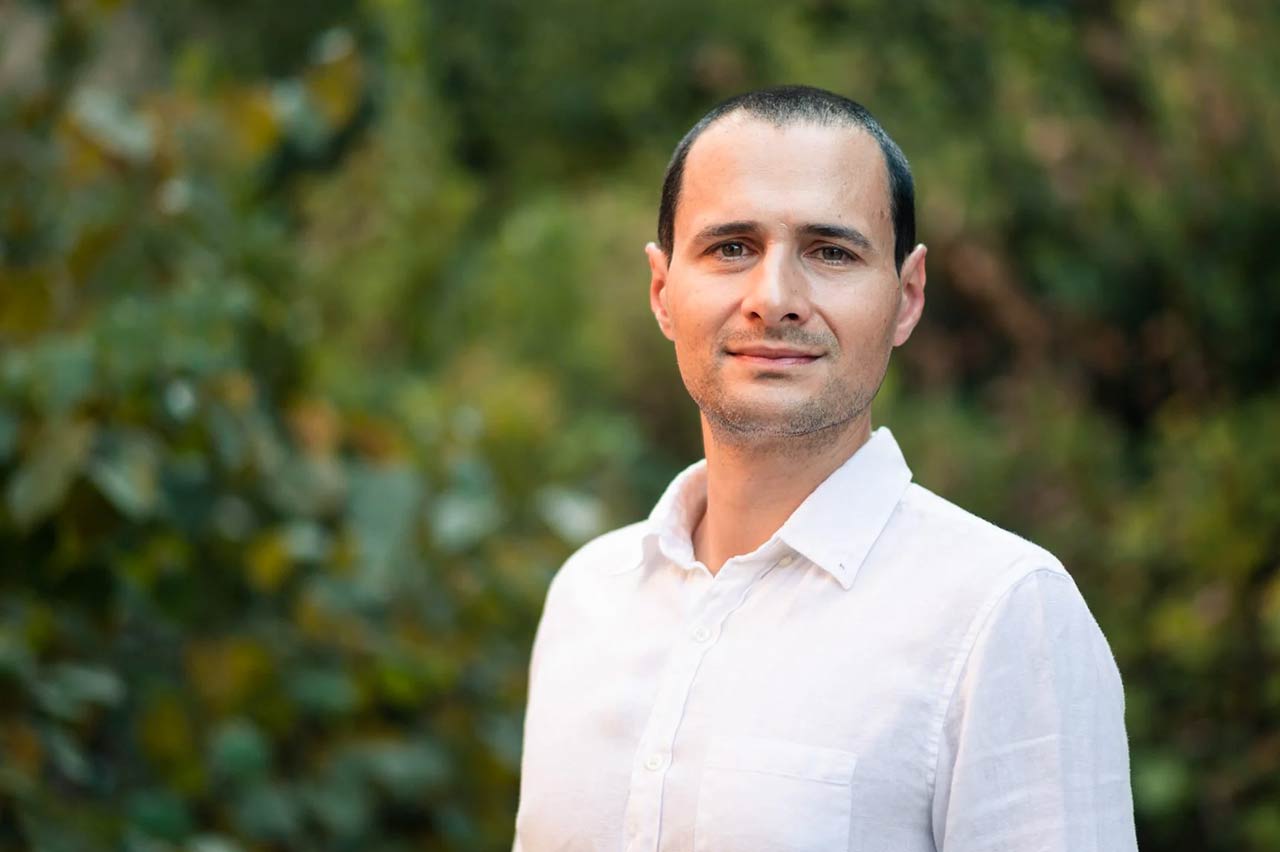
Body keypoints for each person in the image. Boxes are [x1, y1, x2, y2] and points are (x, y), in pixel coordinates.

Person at [511, 85, 1137, 851]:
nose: (774, 299)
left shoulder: (1001, 615)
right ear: (662, 291)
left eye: (831, 252)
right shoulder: (589, 598)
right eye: (731, 248)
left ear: (907, 297)